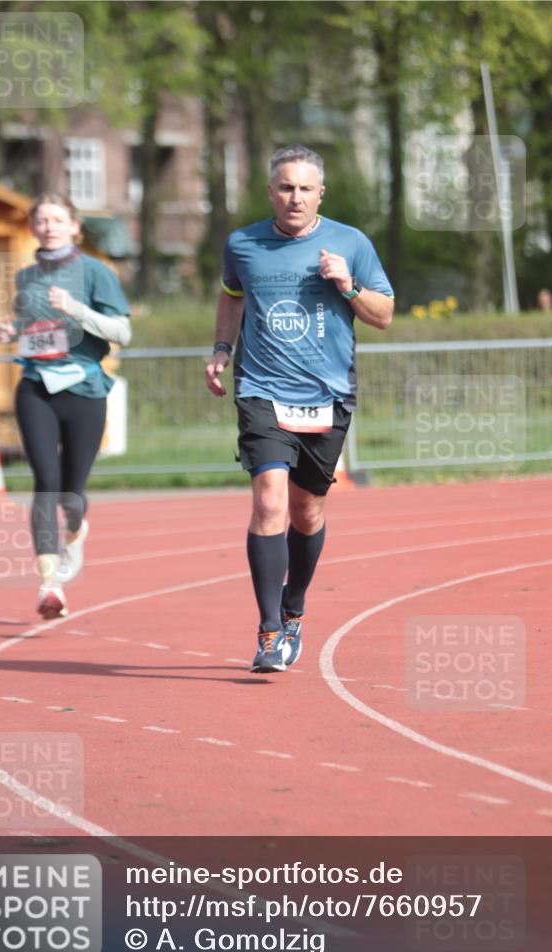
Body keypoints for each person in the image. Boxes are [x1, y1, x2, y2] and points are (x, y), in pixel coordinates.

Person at [204, 145, 394, 673]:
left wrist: (348, 285)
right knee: (269, 500)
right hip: (262, 387)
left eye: (305, 188)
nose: (295, 197)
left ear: (320, 194)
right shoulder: (243, 244)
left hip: (327, 392)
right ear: (271, 192)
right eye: (286, 187)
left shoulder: (350, 243)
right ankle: (268, 633)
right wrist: (222, 348)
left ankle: (293, 610)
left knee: (307, 510)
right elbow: (230, 295)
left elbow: (384, 315)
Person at [0, 194, 131, 620]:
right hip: (35, 384)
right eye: (41, 220)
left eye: (57, 219)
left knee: (71, 493)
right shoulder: (27, 276)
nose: (49, 226)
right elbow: (34, 326)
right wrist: (10, 329)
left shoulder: (96, 272)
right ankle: (49, 582)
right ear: (34, 228)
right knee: (45, 482)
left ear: (74, 226)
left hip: (84, 388)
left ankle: (76, 529)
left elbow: (122, 331)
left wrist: (76, 309)